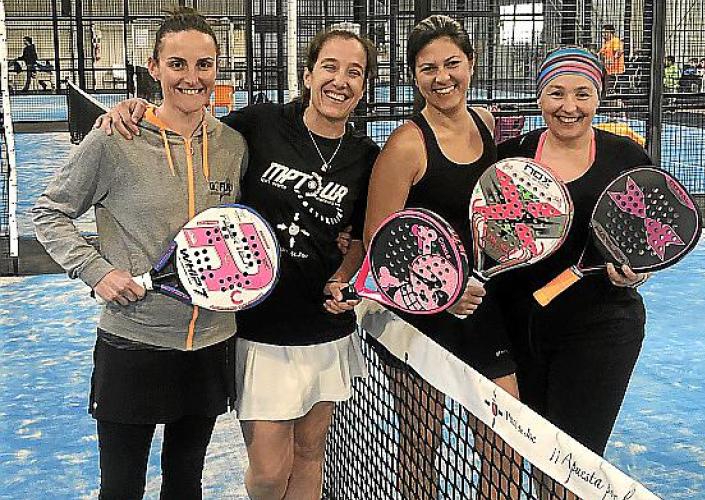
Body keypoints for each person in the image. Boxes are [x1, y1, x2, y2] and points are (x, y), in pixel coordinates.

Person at [97, 27, 380, 500]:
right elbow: (192, 125)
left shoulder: (366, 156)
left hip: (323, 325)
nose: (340, 80)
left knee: (310, 455)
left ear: (365, 85)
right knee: (269, 473)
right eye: (329, 67)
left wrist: (343, 274)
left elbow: (361, 234)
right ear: (308, 74)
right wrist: (138, 109)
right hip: (255, 325)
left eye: (354, 72)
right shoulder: (261, 124)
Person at [32, 8, 247, 499]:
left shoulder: (233, 145)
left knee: (185, 484)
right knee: (122, 489)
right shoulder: (115, 138)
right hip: (134, 343)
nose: (192, 77)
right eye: (177, 64)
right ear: (154, 68)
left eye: (204, 64)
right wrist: (96, 271)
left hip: (210, 343)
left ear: (217, 68)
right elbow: (49, 212)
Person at [364, 14, 520, 499]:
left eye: (452, 63)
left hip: (484, 309)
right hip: (422, 318)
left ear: (471, 63)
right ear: (414, 75)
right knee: (421, 448)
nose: (442, 77)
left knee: (504, 446)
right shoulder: (406, 145)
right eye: (427, 68)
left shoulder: (486, 123)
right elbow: (378, 244)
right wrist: (443, 294)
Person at [492, 46, 651, 462]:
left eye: (582, 94)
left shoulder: (626, 157)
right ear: (539, 97)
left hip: (601, 328)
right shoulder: (510, 157)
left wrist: (638, 272)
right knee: (530, 454)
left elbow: (644, 243)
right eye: (556, 92)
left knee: (572, 462)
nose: (569, 106)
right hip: (519, 328)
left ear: (598, 97)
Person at [598, 25, 624, 92]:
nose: (603, 35)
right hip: (608, 70)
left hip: (615, 71)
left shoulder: (615, 41)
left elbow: (619, 51)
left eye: (604, 33)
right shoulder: (607, 43)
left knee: (610, 88)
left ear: (609, 32)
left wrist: (613, 58)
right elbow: (600, 53)